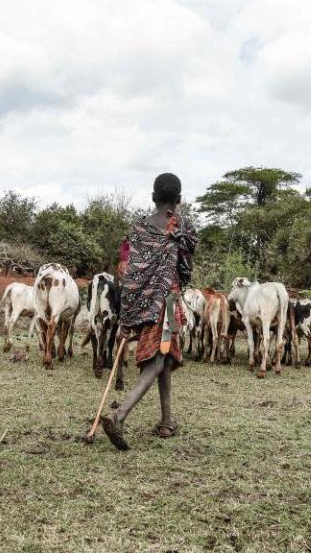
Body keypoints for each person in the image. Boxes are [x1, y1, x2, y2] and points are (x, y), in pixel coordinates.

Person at [101, 173, 197, 450]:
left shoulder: (138, 228)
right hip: (166, 303)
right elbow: (187, 265)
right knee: (156, 361)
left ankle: (167, 421)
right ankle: (119, 415)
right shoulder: (182, 226)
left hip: (140, 302)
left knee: (164, 358)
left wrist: (127, 314)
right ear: (178, 200)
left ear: (153, 197)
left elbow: (129, 273)